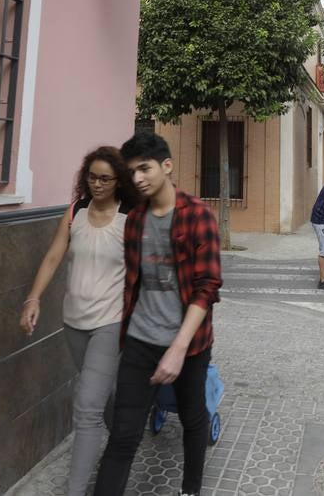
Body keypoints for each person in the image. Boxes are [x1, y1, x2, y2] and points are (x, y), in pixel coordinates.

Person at [94, 131, 222, 496]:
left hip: (190, 344)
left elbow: (207, 286)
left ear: (167, 166)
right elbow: (133, 284)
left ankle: (190, 490)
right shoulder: (134, 220)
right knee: (123, 434)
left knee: (194, 417)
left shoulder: (198, 214)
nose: (137, 178)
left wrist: (178, 348)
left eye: (145, 168)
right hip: (140, 340)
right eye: (132, 171)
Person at [20, 147, 137, 496]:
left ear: (118, 182)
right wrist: (33, 297)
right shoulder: (75, 212)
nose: (97, 184)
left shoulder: (130, 218)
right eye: (92, 177)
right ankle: (123, 439)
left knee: (86, 407)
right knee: (104, 394)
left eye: (105, 178)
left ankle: (75, 490)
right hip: (73, 322)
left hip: (110, 322)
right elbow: (55, 254)